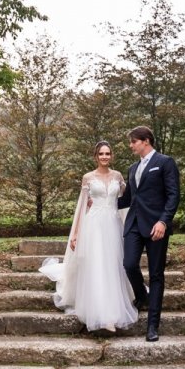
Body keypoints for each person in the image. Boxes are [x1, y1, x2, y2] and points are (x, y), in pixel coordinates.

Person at [39, 141, 138, 332]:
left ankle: (113, 308)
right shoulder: (88, 178)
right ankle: (100, 314)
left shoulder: (118, 176)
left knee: (112, 264)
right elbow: (81, 207)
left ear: (112, 156)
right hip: (93, 225)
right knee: (97, 265)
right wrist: (75, 234)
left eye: (108, 154)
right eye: (101, 154)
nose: (104, 157)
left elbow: (125, 202)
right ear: (96, 156)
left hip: (113, 224)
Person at [117, 126, 180, 342]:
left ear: (145, 141)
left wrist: (164, 221)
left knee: (155, 275)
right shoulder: (133, 168)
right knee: (129, 264)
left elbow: (173, 195)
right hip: (134, 224)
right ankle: (142, 296)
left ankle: (153, 325)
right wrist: (100, 201)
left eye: (133, 141)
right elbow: (127, 200)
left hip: (156, 227)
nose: (131, 145)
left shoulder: (165, 162)